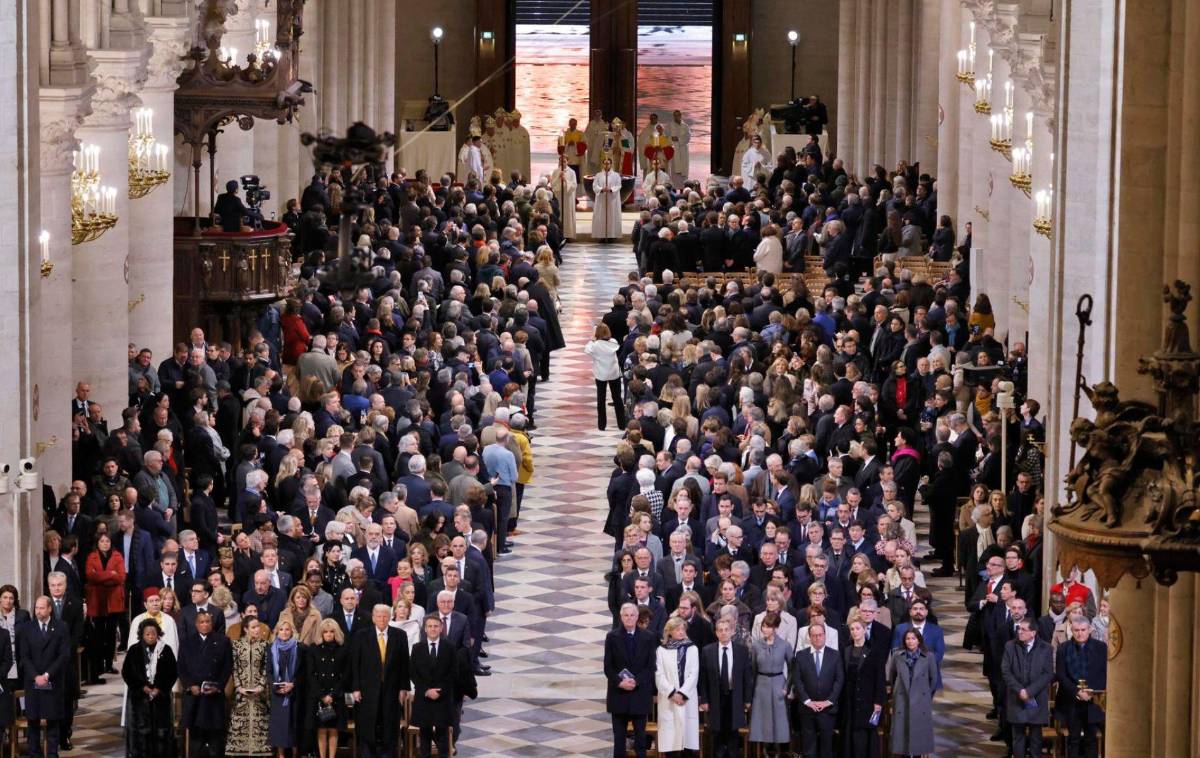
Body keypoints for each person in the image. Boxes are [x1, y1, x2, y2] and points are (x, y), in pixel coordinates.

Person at [349, 604, 410, 758]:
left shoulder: (399, 635)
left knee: (389, 724)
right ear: (373, 617)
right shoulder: (361, 635)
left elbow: (405, 664)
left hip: (392, 688)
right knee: (367, 724)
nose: (382, 619)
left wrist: (403, 688)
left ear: (389, 617)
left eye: (385, 616)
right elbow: (355, 663)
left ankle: (387, 754)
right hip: (367, 689)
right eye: (379, 616)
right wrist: (355, 687)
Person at [17, 596, 70, 757]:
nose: (38, 611)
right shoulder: (27, 628)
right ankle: (34, 753)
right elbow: (24, 656)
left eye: (41, 608)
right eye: (36, 608)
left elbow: (63, 655)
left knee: (53, 720)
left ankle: (52, 754)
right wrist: (36, 676)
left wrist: (47, 675)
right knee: (33, 720)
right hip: (33, 681)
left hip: (52, 680)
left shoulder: (61, 627)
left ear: (49, 609)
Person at [178, 610, 234, 758]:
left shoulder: (223, 641)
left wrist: (218, 687)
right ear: (196, 624)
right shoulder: (186, 642)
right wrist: (190, 685)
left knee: (216, 737)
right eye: (201, 622)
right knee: (196, 737)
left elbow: (227, 667)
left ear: (212, 623)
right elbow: (181, 667)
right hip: (194, 696)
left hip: (214, 696)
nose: (205, 625)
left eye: (207, 621)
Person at [604, 603, 656, 758]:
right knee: (619, 741)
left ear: (637, 617)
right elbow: (608, 667)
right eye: (626, 615)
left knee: (641, 741)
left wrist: (636, 682)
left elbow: (651, 666)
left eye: (632, 615)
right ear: (621, 617)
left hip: (639, 694)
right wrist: (620, 682)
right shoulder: (612, 637)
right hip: (619, 695)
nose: (629, 618)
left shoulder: (648, 637)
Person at [121, 618, 178, 758]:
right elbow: (127, 672)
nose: (151, 636)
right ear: (142, 634)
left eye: (153, 633)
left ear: (158, 633)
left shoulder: (166, 649)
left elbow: (172, 672)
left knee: (161, 733)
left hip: (161, 699)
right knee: (140, 733)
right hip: (139, 699)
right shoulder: (134, 650)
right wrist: (142, 687)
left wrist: (159, 688)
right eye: (147, 634)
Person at [698, 616, 752, 758]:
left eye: (726, 630)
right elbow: (703, 679)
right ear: (716, 633)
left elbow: (747, 677)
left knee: (733, 731)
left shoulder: (742, 651)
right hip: (715, 697)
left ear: (732, 632)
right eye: (720, 630)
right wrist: (704, 700)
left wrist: (747, 699)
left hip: (735, 697)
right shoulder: (707, 651)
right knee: (717, 732)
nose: (723, 633)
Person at [1055, 616, 1107, 758]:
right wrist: (1077, 691)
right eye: (1076, 630)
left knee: (1091, 740)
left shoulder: (1101, 648)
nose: (1080, 633)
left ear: (1089, 630)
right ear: (1071, 630)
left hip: (1093, 701)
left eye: (1083, 630)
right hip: (1070, 701)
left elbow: (1105, 674)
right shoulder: (1063, 648)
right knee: (1073, 740)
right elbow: (1060, 675)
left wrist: (1091, 692)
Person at [1002, 617, 1054, 758]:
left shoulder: (1046, 648)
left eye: (1023, 629)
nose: (1020, 632)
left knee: (1036, 738)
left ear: (1033, 633)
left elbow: (1048, 673)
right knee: (1018, 738)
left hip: (1036, 700)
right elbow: (1006, 671)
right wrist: (1020, 690)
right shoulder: (1010, 646)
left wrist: (1029, 691)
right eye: (1019, 628)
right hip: (1016, 698)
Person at [791, 622, 843, 758]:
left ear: (825, 636)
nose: (817, 638)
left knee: (827, 746)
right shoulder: (801, 655)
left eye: (820, 635)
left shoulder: (835, 655)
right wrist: (807, 701)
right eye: (814, 635)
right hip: (807, 708)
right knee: (809, 746)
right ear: (809, 637)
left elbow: (839, 681)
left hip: (828, 709)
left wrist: (829, 701)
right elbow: (797, 680)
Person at [409, 615, 457, 758]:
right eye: (430, 626)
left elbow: (453, 673)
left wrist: (439, 692)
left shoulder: (450, 647)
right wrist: (426, 691)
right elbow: (413, 672)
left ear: (441, 628)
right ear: (425, 629)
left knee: (443, 739)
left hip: (442, 698)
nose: (433, 629)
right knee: (424, 737)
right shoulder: (417, 648)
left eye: (436, 626)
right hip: (424, 699)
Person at [885, 627, 938, 758]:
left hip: (921, 699)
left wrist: (924, 694)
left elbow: (933, 679)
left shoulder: (928, 656)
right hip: (902, 697)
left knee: (919, 732)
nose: (910, 641)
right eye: (907, 638)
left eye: (913, 638)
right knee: (902, 731)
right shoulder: (897, 655)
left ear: (919, 640)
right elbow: (892, 675)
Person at [225, 614, 271, 756]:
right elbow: (235, 668)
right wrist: (239, 687)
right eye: (254, 627)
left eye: (258, 626)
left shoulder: (264, 645)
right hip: (241, 693)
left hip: (260, 693)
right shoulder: (237, 645)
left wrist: (261, 686)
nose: (257, 629)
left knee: (261, 723)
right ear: (246, 629)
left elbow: (267, 668)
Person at [84, 531, 126, 684]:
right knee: (99, 635)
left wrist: (100, 576)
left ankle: (108, 664)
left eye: (107, 541)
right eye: (102, 541)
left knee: (110, 635)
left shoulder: (117, 556)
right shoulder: (91, 556)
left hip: (113, 600)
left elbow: (121, 577)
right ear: (98, 542)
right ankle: (99, 666)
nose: (105, 544)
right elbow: (90, 575)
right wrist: (110, 575)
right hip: (97, 601)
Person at [654, 617, 699, 757]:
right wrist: (672, 693)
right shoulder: (661, 650)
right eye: (677, 629)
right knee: (670, 743)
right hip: (669, 700)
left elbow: (694, 673)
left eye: (682, 629)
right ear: (669, 631)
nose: (681, 632)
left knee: (687, 744)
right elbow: (658, 674)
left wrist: (683, 693)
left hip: (686, 699)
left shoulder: (692, 648)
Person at [748, 612, 792, 757]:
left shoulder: (785, 645)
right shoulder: (756, 645)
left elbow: (792, 669)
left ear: (775, 628)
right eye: (763, 627)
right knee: (764, 718)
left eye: (768, 627)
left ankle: (779, 749)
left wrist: (787, 687)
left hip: (779, 683)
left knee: (779, 718)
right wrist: (752, 690)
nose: (765, 630)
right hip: (762, 684)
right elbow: (752, 669)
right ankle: (765, 749)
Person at [266, 618, 305, 757]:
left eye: (287, 629)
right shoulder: (271, 648)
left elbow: (304, 671)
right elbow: (269, 671)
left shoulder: (300, 647)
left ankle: (295, 755)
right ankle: (281, 755)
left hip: (295, 693)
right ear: (276, 632)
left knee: (294, 724)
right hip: (278, 693)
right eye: (281, 630)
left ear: (292, 631)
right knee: (279, 726)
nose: (284, 632)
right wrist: (275, 686)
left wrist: (293, 684)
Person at [586, 323, 625, 431]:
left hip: (601, 374)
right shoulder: (613, 342)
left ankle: (602, 425)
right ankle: (622, 424)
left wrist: (592, 339)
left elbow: (587, 350)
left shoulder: (595, 345)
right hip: (613, 373)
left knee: (601, 399)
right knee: (617, 398)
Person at [593, 156, 623, 244]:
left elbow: (618, 185)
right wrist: (601, 189)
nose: (606, 165)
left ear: (611, 164)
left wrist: (611, 189)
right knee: (601, 217)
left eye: (608, 163)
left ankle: (611, 235)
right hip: (602, 199)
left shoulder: (616, 175)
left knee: (612, 217)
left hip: (612, 200)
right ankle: (602, 235)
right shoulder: (598, 175)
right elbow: (595, 185)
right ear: (602, 164)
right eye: (604, 163)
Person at [550, 154, 578, 239]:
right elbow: (552, 184)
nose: (563, 163)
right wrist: (558, 178)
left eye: (564, 161)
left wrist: (565, 180)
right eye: (561, 161)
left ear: (567, 162)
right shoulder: (555, 171)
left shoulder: (572, 172)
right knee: (559, 215)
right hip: (559, 196)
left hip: (567, 197)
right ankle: (559, 235)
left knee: (567, 215)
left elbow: (574, 185)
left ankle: (568, 235)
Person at [666, 110, 691, 186]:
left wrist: (679, 139)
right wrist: (671, 139)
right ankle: (674, 188)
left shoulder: (685, 126)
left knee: (683, 169)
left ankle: (684, 188)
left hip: (683, 150)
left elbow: (688, 137)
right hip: (674, 150)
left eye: (678, 115)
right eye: (675, 115)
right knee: (674, 170)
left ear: (680, 116)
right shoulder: (669, 126)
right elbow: (665, 136)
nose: (676, 117)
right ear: (673, 116)